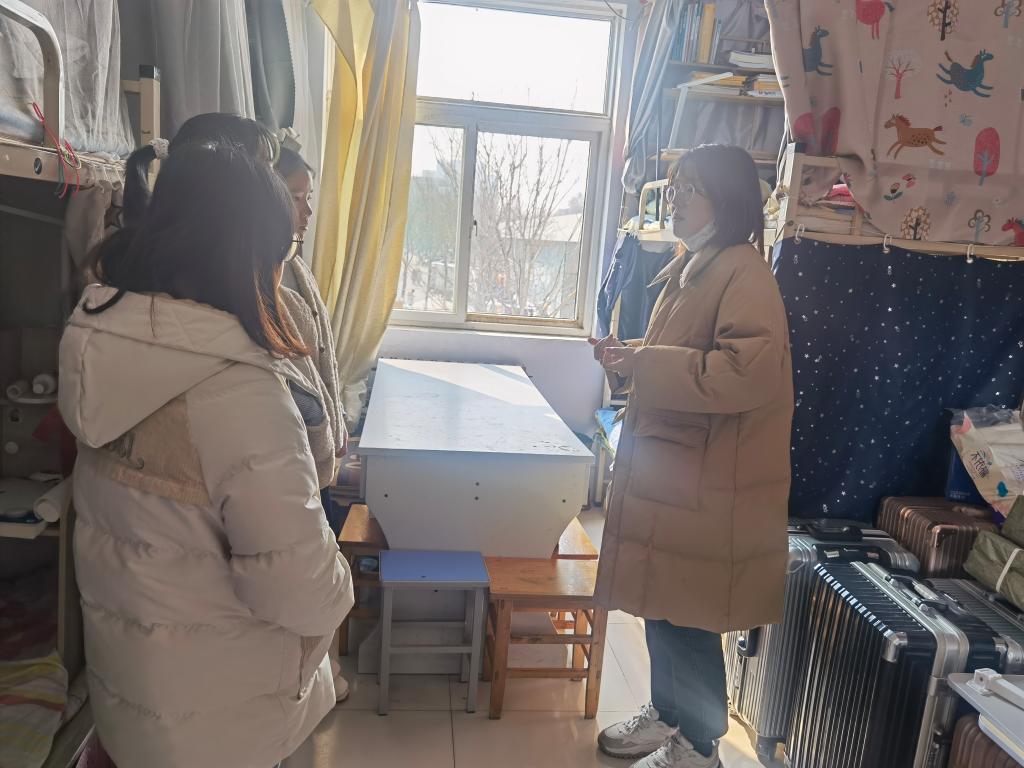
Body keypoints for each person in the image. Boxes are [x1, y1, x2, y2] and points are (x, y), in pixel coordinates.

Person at [59, 142, 354, 768]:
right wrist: (341, 584)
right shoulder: (237, 395)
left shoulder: (102, 353)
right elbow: (299, 588)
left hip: (133, 702)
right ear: (243, 257)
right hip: (220, 718)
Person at [590, 145, 794, 768]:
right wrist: (632, 359)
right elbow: (684, 359)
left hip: (709, 485)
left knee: (691, 620)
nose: (674, 199)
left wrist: (646, 363)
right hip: (677, 476)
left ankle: (701, 748)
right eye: (674, 186)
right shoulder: (696, 266)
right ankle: (668, 716)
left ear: (725, 201)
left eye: (689, 189)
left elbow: (744, 373)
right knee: (662, 606)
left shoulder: (743, 274)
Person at [275, 145, 351, 703]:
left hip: (318, 445)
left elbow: (322, 366)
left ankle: (318, 668)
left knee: (320, 565)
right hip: (296, 453)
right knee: (307, 572)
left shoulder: (295, 266)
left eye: (308, 198)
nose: (307, 211)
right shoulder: (268, 278)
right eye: (296, 198)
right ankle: (307, 674)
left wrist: (338, 426)